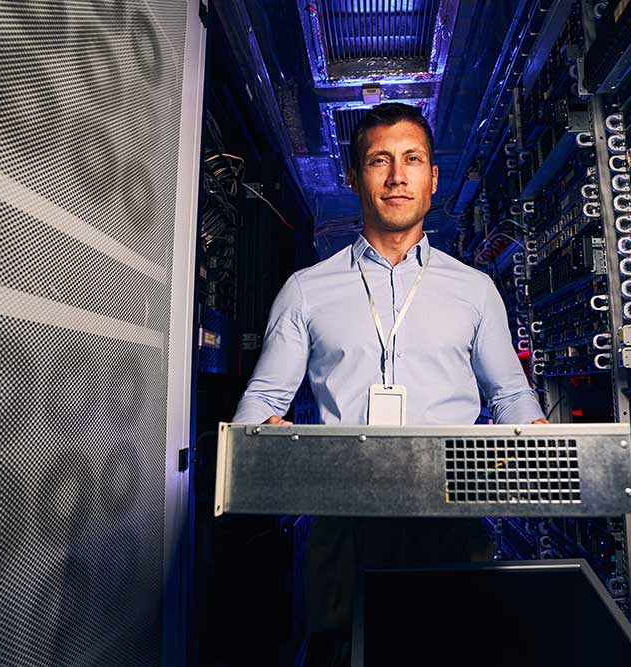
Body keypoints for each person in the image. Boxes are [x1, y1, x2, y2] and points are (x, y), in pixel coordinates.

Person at [232, 102, 547, 665]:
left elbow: (510, 394)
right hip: (342, 529)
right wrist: (260, 435)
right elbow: (263, 398)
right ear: (355, 177)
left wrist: (539, 435)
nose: (397, 176)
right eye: (380, 160)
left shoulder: (475, 291)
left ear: (433, 178)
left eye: (412, 160)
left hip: (451, 519)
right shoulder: (307, 290)